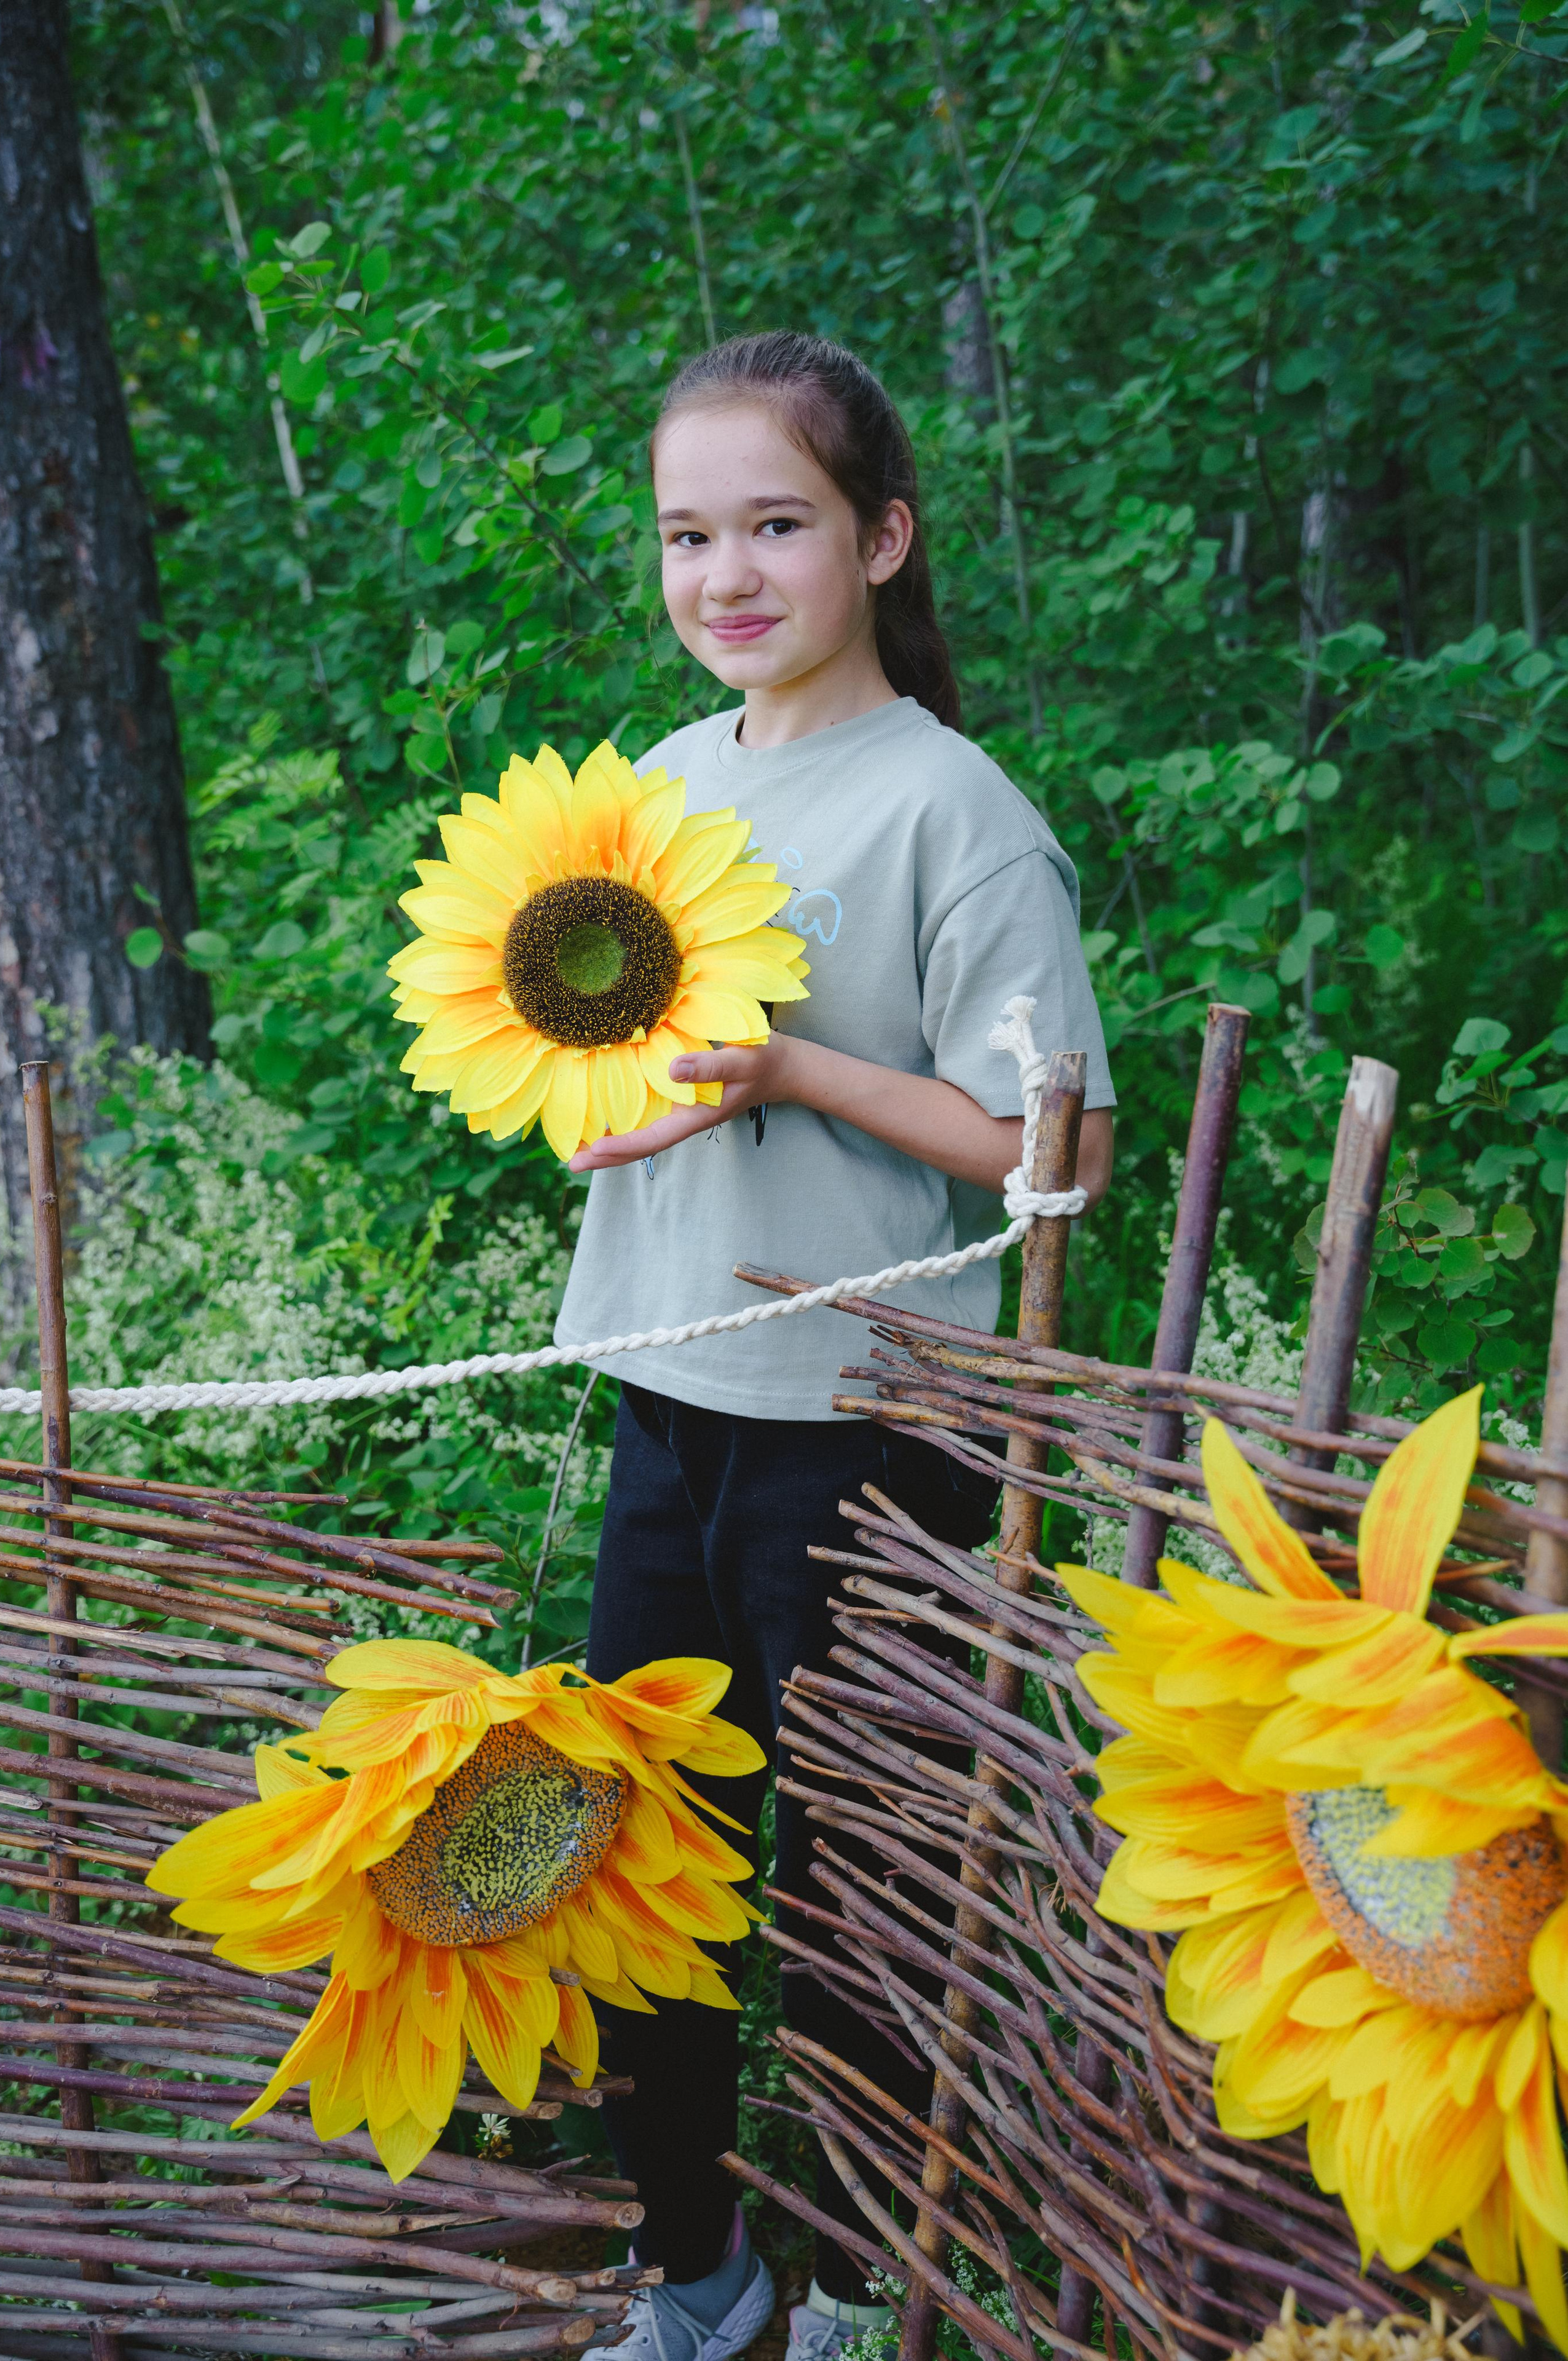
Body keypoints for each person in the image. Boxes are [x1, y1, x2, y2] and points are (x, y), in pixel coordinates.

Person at [558, 331, 1115, 2361]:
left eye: (776, 523)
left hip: (868, 1424)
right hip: (670, 1387)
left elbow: (1057, 1151)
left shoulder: (951, 813)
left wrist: (797, 1066)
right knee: (654, 1854)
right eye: (689, 533)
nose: (727, 574)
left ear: (880, 538)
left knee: (862, 1874)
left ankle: (870, 2293)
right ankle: (702, 2277)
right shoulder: (654, 788)